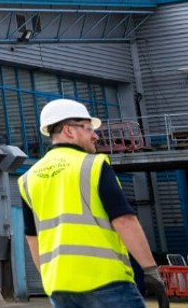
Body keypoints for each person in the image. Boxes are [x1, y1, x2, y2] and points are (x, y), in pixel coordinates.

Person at [20, 98, 165, 307]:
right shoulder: (93, 165)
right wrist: (150, 270)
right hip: (105, 281)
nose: (95, 135)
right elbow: (124, 220)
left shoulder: (29, 178)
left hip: (60, 287)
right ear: (69, 130)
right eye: (89, 128)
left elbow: (32, 238)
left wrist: (49, 280)